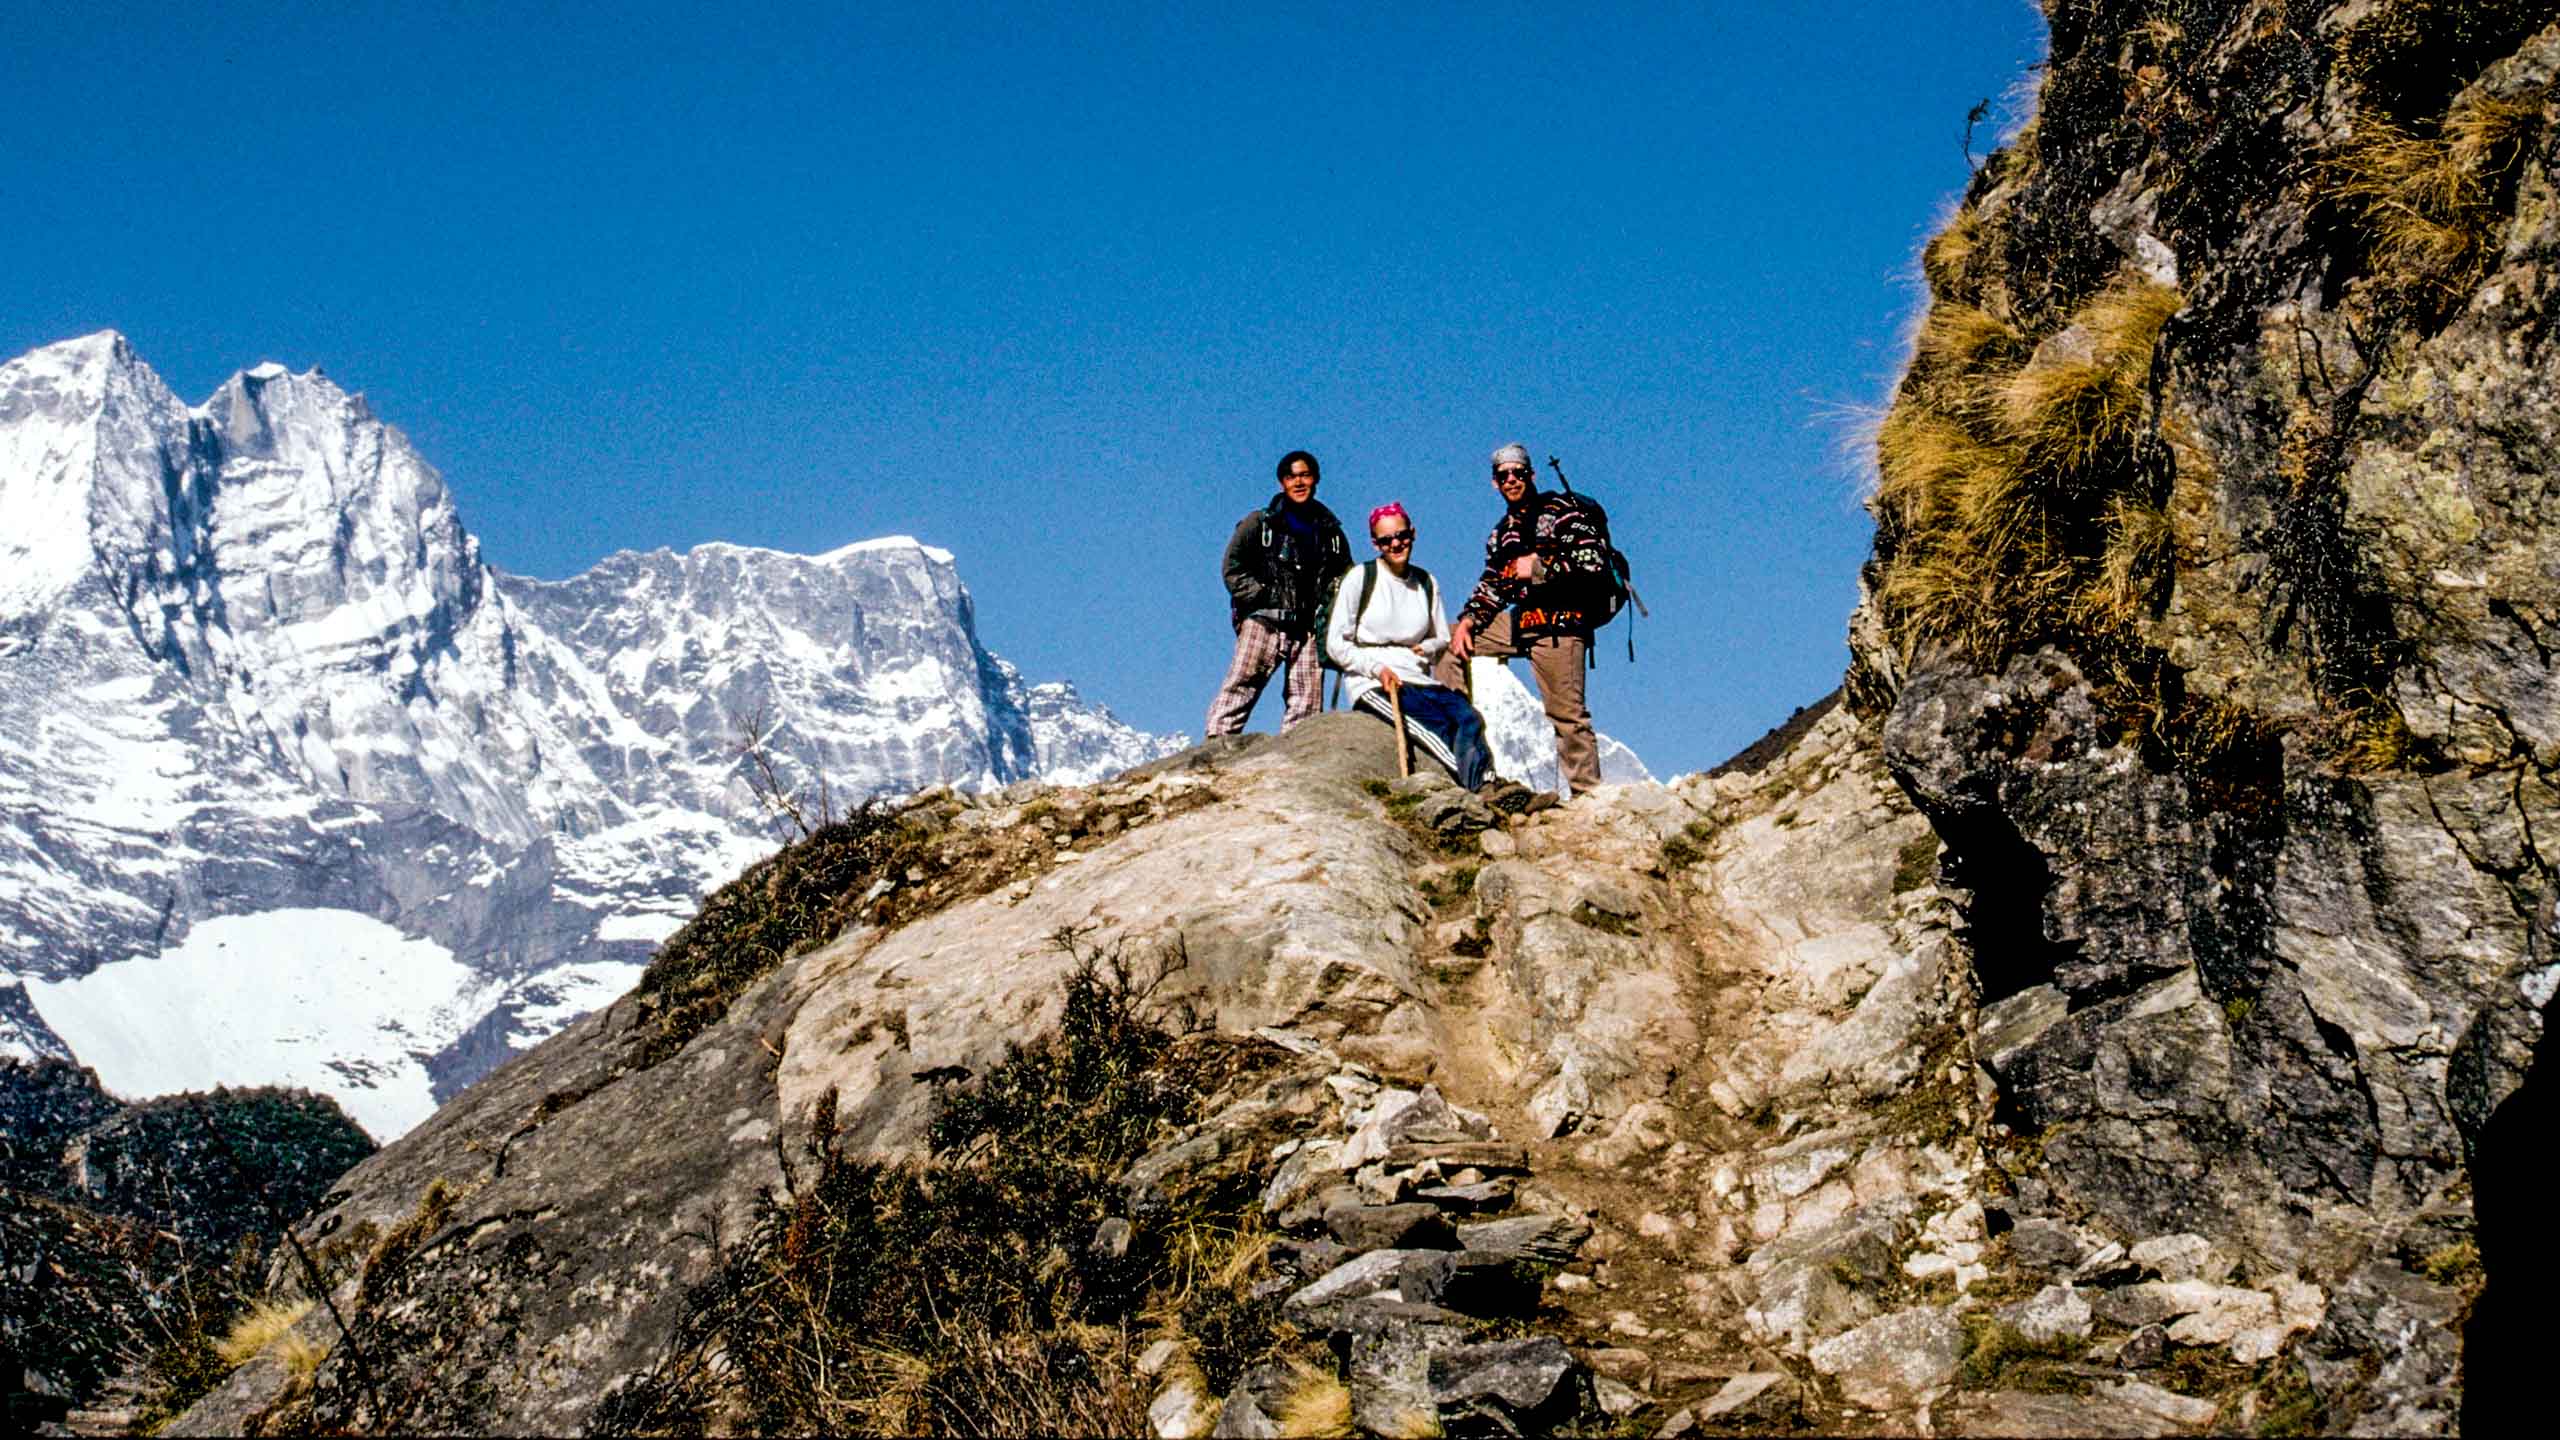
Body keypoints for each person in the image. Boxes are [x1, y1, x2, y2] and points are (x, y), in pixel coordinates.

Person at [1436, 442, 1604, 796]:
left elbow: (1593, 564)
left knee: (1566, 716)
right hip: (1521, 622)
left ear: (1531, 475)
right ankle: (1461, 742)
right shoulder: (1502, 533)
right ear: (1495, 483)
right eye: (1504, 475)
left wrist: (1540, 568)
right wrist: (1468, 620)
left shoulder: (1562, 512)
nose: (1512, 480)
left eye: (1518, 472)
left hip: (1560, 625)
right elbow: (1493, 585)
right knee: (1445, 641)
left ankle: (1590, 798)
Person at [1325, 501, 1496, 792]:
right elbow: (1336, 643)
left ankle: (1490, 782)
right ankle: (1480, 787)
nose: (1396, 544)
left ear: (1412, 534)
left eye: (1402, 536)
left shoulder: (1426, 582)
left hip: (1420, 679)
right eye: (1386, 540)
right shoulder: (1361, 578)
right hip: (1376, 683)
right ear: (1375, 544)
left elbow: (1441, 637)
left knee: (1467, 717)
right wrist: (1376, 668)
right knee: (1436, 730)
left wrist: (1427, 648)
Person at [1206, 450, 1352, 736]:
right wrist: (1260, 596)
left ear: (1316, 480)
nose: (1299, 482)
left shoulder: (1331, 533)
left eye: (1305, 475)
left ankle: (1296, 762)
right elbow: (1232, 567)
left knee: (1307, 704)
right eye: (1291, 476)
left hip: (1309, 627)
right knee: (1240, 686)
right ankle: (1214, 751)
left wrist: (1335, 613)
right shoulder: (1259, 524)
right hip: (1264, 621)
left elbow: (1347, 578)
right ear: (1281, 482)